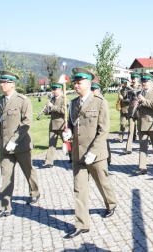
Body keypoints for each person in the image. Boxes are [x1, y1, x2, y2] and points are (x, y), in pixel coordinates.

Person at [63, 68, 117, 238]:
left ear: (88, 83)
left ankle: (111, 203)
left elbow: (104, 130)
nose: (76, 85)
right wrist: (68, 133)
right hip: (78, 154)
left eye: (79, 82)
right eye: (75, 82)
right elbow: (72, 124)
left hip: (96, 154)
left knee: (103, 182)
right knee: (79, 189)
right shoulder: (72, 103)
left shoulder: (100, 102)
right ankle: (81, 224)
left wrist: (93, 152)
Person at [0, 70, 40, 219]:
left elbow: (26, 123)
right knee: (6, 176)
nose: (2, 85)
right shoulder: (1, 101)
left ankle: (34, 192)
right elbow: (0, 123)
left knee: (28, 171)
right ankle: (4, 206)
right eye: (1, 82)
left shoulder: (22, 100)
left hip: (21, 144)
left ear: (12, 84)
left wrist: (14, 140)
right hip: (5, 146)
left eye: (5, 82)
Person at [134, 73, 153, 175]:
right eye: (143, 82)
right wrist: (136, 105)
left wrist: (144, 101)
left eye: (146, 82)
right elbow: (138, 107)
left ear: (151, 82)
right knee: (142, 145)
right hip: (142, 123)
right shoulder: (138, 92)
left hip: (152, 123)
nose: (144, 83)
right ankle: (142, 167)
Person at [43, 83, 69, 168]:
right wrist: (46, 111)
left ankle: (73, 157)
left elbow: (63, 111)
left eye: (55, 90)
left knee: (66, 142)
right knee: (51, 144)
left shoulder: (64, 99)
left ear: (60, 89)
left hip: (61, 124)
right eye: (53, 90)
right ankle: (48, 162)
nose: (53, 91)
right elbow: (51, 111)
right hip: (53, 124)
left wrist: (52, 106)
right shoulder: (52, 99)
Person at [91, 77, 112, 166]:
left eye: (94, 89)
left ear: (99, 90)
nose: (93, 91)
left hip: (101, 124)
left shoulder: (102, 100)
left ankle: (108, 158)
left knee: (104, 141)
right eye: (91, 89)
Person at [125, 73, 142, 154]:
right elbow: (127, 98)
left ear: (138, 79)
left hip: (139, 111)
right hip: (131, 111)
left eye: (135, 78)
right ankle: (128, 148)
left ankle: (143, 146)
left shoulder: (140, 86)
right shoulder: (128, 87)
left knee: (141, 130)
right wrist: (128, 88)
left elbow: (139, 94)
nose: (133, 79)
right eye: (132, 78)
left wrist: (131, 89)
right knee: (130, 130)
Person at [117, 78, 130, 143]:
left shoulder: (129, 90)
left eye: (124, 83)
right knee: (122, 124)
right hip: (122, 110)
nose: (123, 84)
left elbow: (129, 101)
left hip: (129, 110)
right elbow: (119, 100)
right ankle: (120, 138)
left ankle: (133, 136)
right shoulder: (121, 90)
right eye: (122, 83)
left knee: (131, 125)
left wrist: (122, 99)